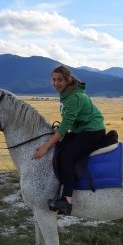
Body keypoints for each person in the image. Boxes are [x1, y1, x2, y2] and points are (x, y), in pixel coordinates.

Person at [32, 65, 106, 215]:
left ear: (67, 80)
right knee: (60, 146)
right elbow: (67, 123)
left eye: (60, 79)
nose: (56, 83)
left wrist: (45, 146)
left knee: (67, 156)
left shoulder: (73, 98)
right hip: (82, 130)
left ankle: (67, 201)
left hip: (92, 132)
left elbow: (64, 127)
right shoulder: (68, 94)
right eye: (53, 80)